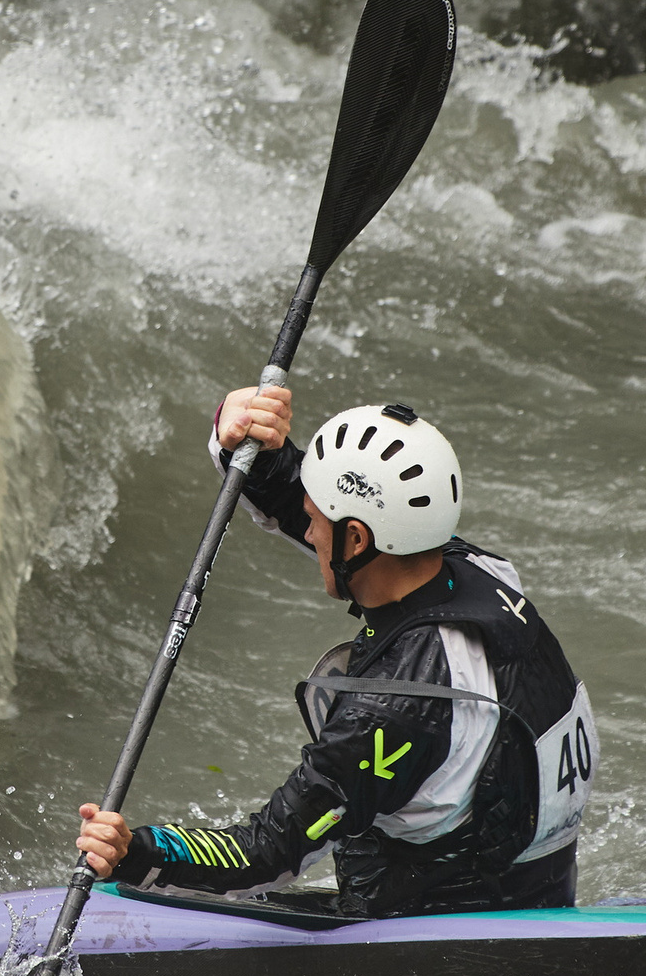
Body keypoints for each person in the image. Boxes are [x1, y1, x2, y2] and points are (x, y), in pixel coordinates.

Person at [72, 386, 598, 917]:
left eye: (315, 520)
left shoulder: (396, 708)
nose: (308, 529)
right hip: (536, 891)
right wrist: (242, 445)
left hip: (432, 935)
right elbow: (321, 507)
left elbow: (266, 853)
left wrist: (136, 851)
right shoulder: (480, 571)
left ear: (355, 541)